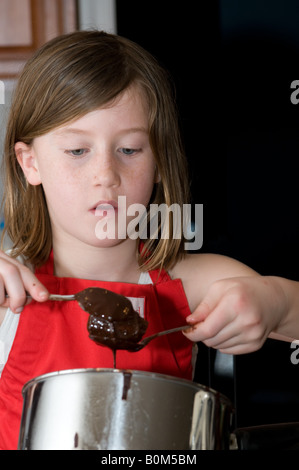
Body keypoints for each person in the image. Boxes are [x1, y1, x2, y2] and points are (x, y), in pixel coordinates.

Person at [0, 30, 298, 450]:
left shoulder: (191, 284)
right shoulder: (8, 293)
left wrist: (279, 303)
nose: (106, 174)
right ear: (30, 163)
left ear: (159, 163)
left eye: (130, 149)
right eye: (77, 151)